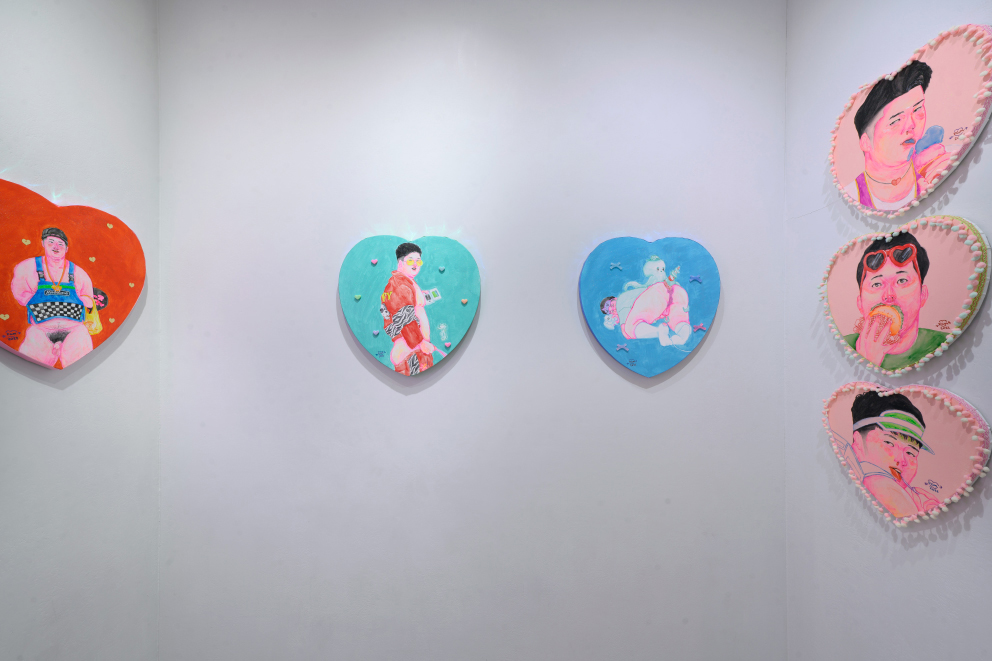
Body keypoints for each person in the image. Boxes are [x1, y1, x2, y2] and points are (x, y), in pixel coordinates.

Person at [843, 60, 953, 211]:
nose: (911, 125)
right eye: (895, 120)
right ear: (865, 142)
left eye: (917, 109)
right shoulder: (852, 196)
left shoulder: (940, 163)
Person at [843, 233, 943, 370]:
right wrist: (869, 358)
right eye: (877, 284)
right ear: (860, 303)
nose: (888, 295)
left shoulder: (940, 344)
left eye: (901, 281)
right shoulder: (846, 347)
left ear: (923, 295)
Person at [837, 390, 940, 517]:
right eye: (889, 443)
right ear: (858, 440)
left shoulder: (917, 498)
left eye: (911, 453)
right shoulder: (879, 484)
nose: (901, 459)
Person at [10, 227, 96, 368]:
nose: (56, 246)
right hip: (41, 331)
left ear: (66, 248)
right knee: (29, 369)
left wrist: (76, 301)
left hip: (74, 331)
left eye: (60, 243)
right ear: (43, 243)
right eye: (51, 241)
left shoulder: (79, 272)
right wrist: (40, 303)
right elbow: (20, 293)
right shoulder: (27, 267)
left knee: (83, 368)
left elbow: (89, 299)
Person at [600, 256, 691, 347]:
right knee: (678, 320)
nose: (610, 309)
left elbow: (624, 321)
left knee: (628, 329)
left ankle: (659, 332)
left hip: (655, 295)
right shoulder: (628, 304)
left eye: (609, 305)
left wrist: (622, 325)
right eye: (608, 311)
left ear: (614, 298)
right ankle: (682, 338)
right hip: (676, 293)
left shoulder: (621, 301)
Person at [380, 242, 436, 376]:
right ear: (400, 263)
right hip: (410, 353)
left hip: (415, 350)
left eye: (418, 261)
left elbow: (407, 306)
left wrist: (421, 298)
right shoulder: (399, 284)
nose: (415, 264)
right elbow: (403, 317)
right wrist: (421, 342)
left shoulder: (406, 282)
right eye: (410, 260)